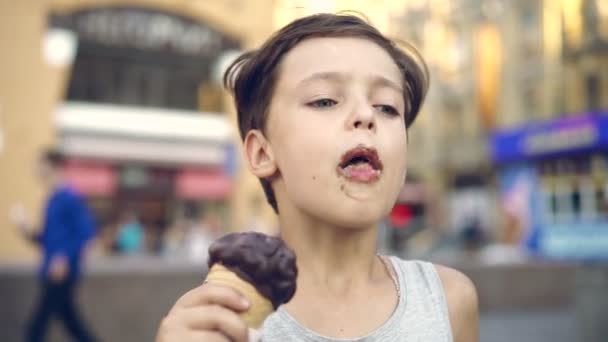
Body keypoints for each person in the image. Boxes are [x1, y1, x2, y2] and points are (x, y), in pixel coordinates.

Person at [156, 13, 479, 342]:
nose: (366, 115)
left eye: (387, 107)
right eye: (324, 100)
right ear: (262, 153)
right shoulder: (215, 320)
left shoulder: (448, 302)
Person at [12, 149, 97, 342]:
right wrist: (26, 230)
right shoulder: (51, 199)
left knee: (37, 326)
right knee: (71, 323)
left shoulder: (70, 197)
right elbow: (49, 240)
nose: (36, 170)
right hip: (51, 272)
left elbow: (87, 233)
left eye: (40, 165)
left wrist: (64, 258)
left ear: (53, 167)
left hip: (61, 275)